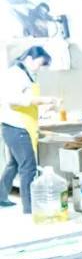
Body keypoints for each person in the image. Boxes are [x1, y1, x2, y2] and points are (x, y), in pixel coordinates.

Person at [0, 46, 54, 212]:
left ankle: (1, 196)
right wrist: (42, 100)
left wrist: (44, 107)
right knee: (28, 166)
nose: (40, 67)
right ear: (30, 58)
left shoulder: (27, 73)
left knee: (14, 163)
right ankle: (30, 207)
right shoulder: (15, 74)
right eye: (40, 63)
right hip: (16, 126)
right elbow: (12, 99)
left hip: (19, 124)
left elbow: (28, 100)